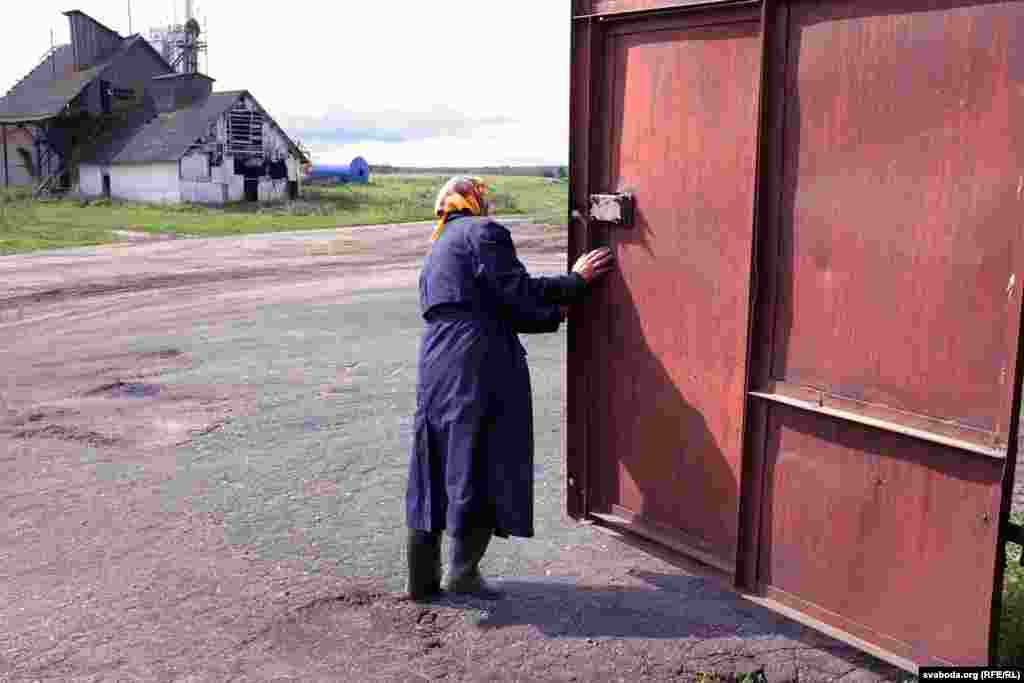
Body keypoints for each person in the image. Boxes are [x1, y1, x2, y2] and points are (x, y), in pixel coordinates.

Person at [405, 176, 614, 601]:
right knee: (485, 457)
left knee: (434, 460)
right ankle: (462, 573)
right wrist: (575, 281)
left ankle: (421, 582)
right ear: (476, 202)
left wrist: (553, 315)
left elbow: (497, 307)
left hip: (438, 361)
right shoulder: (484, 232)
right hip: (478, 363)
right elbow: (517, 294)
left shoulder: (439, 246)